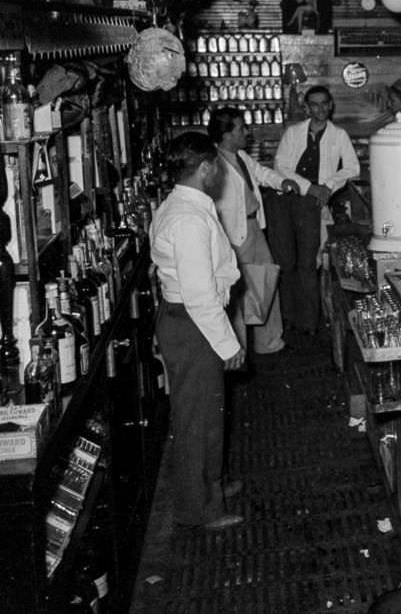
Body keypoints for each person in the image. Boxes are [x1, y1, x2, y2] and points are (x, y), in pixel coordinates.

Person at [150, 132, 245, 530]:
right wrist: (228, 344)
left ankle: (211, 485)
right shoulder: (187, 218)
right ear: (205, 167)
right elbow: (200, 294)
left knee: (206, 414)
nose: (219, 172)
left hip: (188, 321)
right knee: (196, 420)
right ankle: (200, 507)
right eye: (216, 166)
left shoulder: (182, 205)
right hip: (194, 325)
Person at [208, 107, 300, 355]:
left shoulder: (240, 156)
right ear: (226, 135)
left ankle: (270, 342)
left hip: (253, 227)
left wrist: (282, 182)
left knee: (266, 281)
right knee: (237, 292)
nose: (246, 132)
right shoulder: (214, 162)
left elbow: (260, 173)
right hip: (232, 234)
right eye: (241, 128)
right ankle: (240, 351)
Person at [270, 85, 360, 337]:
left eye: (324, 104)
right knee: (285, 263)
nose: (320, 109)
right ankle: (288, 317)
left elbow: (352, 168)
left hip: (314, 205)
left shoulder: (339, 135)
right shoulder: (293, 132)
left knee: (309, 263)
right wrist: (310, 187)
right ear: (306, 108)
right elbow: (281, 166)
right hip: (286, 201)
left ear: (330, 105)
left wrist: (328, 186)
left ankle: (309, 322)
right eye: (314, 104)